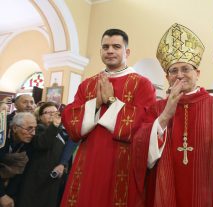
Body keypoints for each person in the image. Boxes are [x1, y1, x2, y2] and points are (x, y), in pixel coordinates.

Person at [134, 23, 213, 207]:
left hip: (209, 188)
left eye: (185, 69)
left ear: (197, 73)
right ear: (167, 76)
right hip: (166, 188)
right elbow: (138, 149)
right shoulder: (156, 108)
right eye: (173, 70)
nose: (179, 75)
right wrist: (163, 118)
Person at [60, 29, 156, 207]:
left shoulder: (142, 83)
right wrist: (95, 103)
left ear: (126, 52)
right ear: (101, 51)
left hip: (122, 159)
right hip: (87, 158)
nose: (110, 51)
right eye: (105, 47)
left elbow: (145, 123)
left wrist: (112, 101)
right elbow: (70, 120)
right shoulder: (87, 84)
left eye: (116, 47)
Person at [18, 102, 77, 207]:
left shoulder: (61, 132)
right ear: (40, 117)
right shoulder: (37, 129)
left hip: (53, 180)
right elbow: (43, 143)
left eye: (55, 112)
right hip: (37, 182)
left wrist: (63, 165)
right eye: (48, 112)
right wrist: (54, 125)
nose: (52, 115)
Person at [0, 112, 37, 207]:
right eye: (29, 128)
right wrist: (2, 195)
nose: (33, 133)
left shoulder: (27, 143)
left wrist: (8, 195)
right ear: (15, 128)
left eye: (35, 128)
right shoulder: (2, 138)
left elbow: (20, 172)